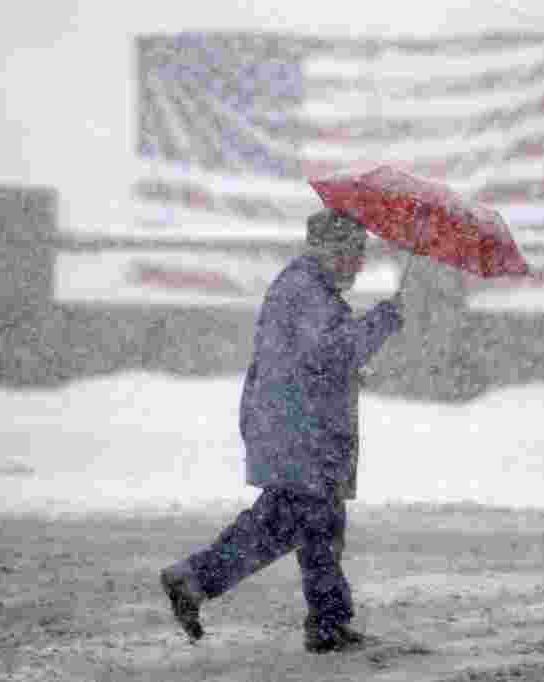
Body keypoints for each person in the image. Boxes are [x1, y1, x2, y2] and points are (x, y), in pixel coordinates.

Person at [160, 208, 404, 653]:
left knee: (314, 524)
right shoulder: (307, 291)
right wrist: (382, 321)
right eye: (355, 252)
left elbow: (311, 359)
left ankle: (326, 621)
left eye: (363, 252)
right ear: (331, 251)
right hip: (301, 430)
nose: (361, 262)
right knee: (295, 523)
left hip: (300, 426)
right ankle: (199, 580)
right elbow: (332, 352)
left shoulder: (309, 289)